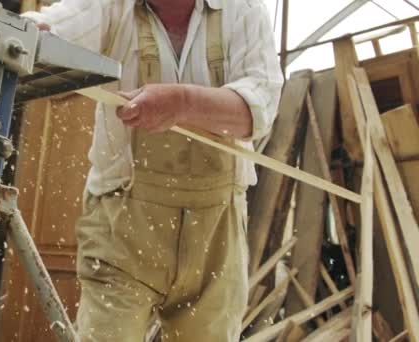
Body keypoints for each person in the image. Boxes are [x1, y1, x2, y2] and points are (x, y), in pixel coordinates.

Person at [24, 0, 283, 340]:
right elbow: (45, 32)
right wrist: (16, 30)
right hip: (124, 224)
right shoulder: (112, 6)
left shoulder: (243, 8)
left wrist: (182, 103)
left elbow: (258, 110)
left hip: (216, 231)